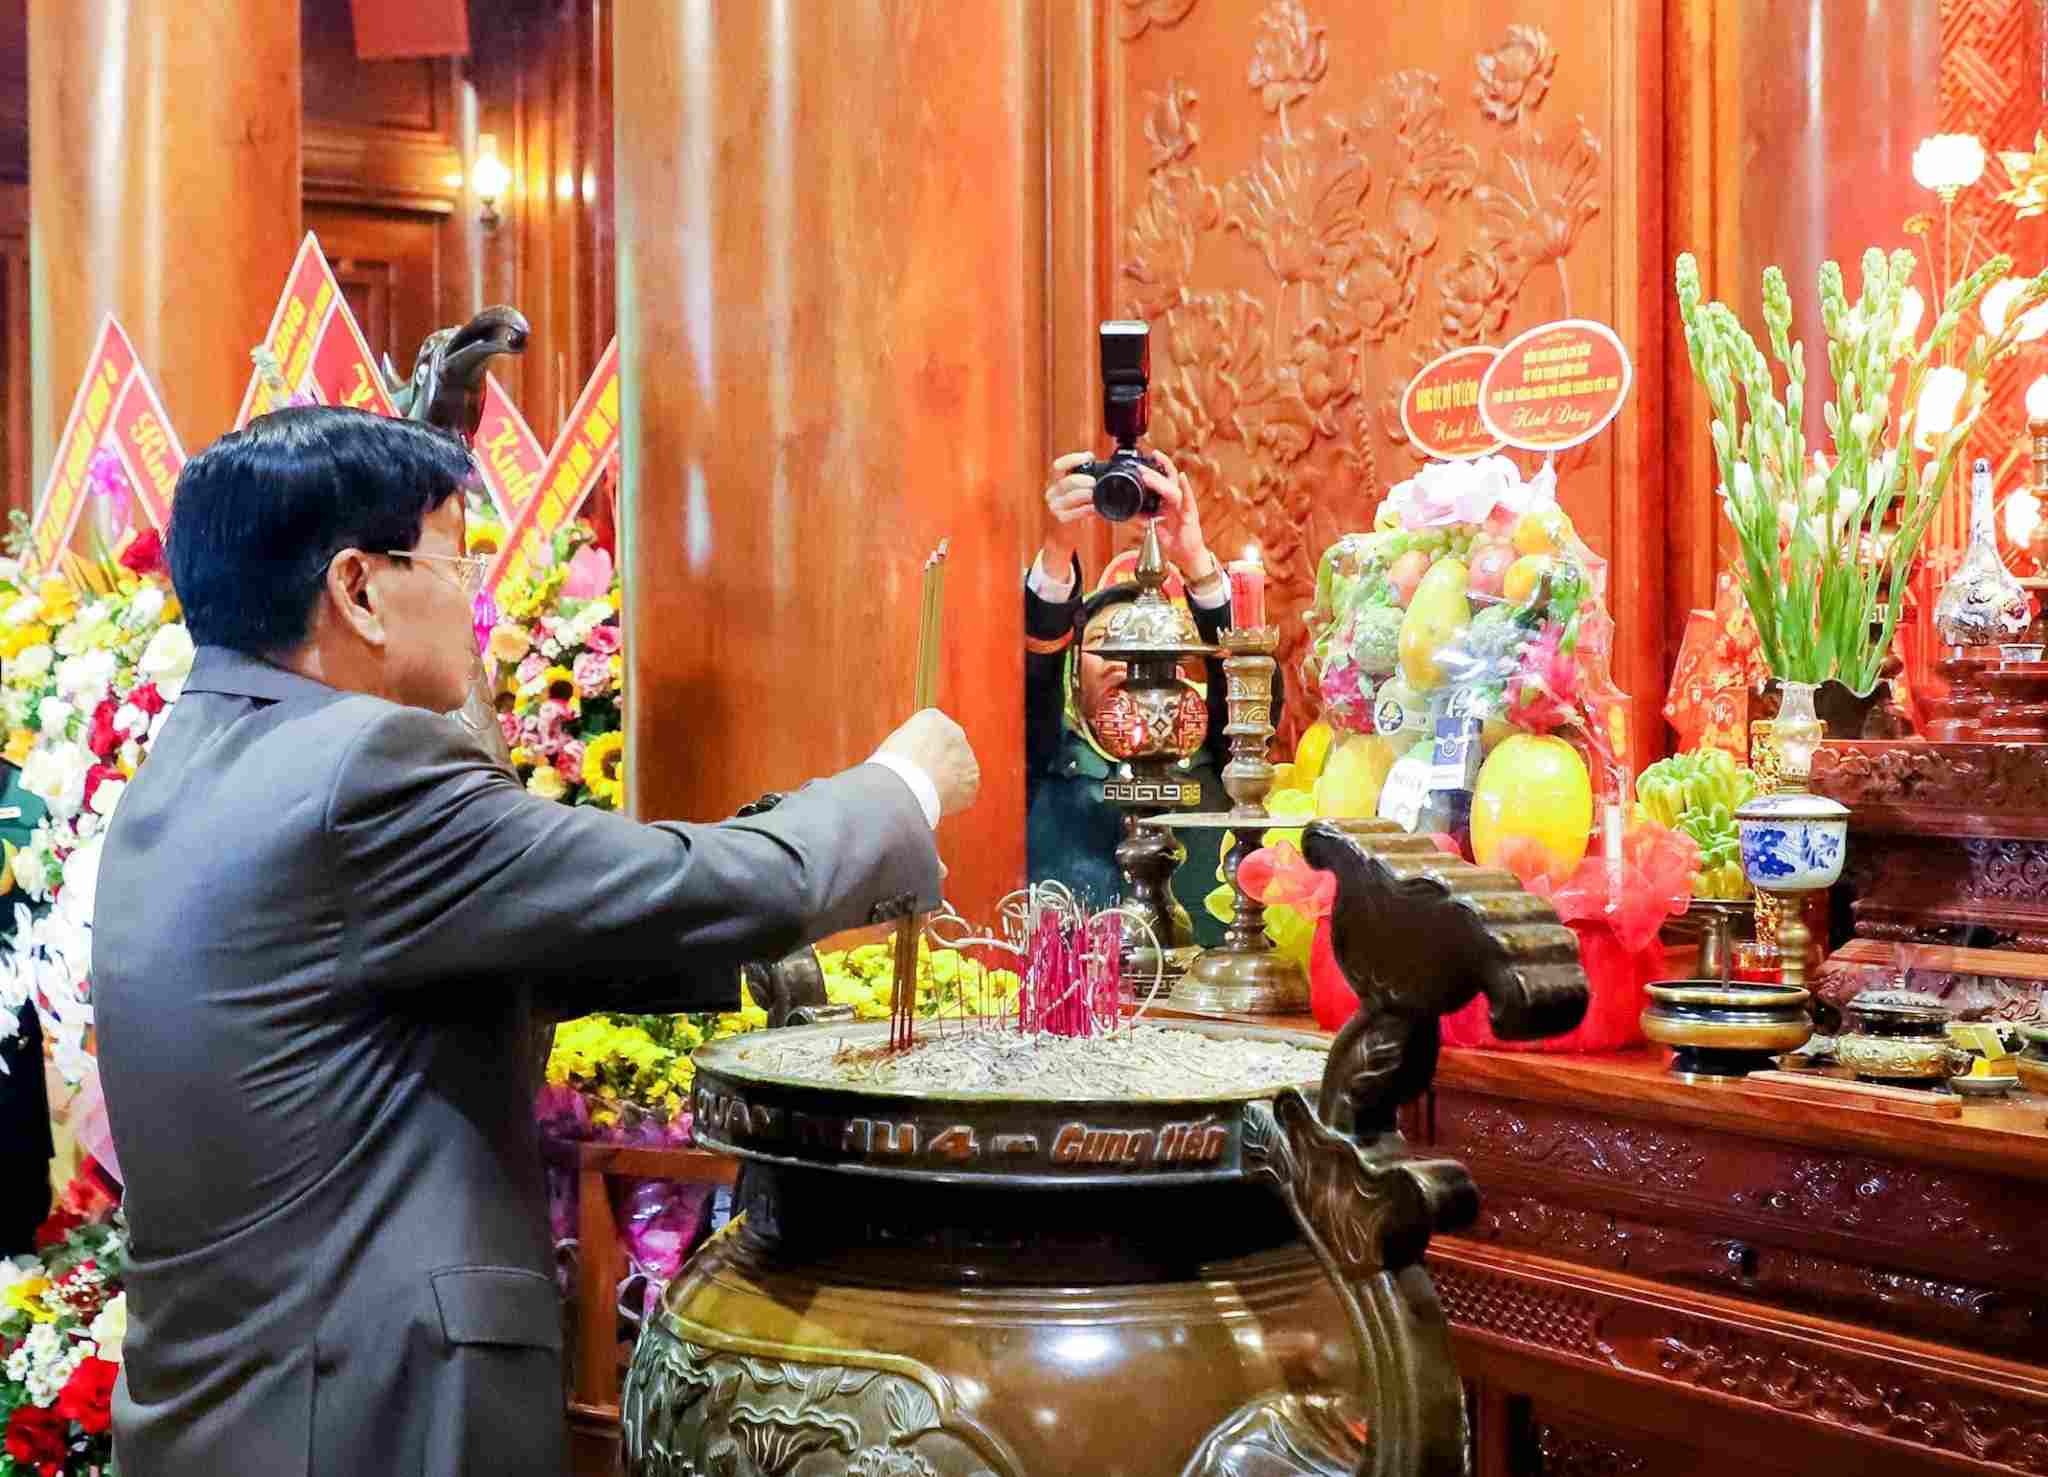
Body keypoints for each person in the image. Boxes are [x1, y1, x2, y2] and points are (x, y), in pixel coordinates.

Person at [90, 406, 979, 1477]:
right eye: (457, 562)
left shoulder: (186, 763)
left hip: (239, 1405)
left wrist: (746, 952)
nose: (478, 600)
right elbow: (674, 886)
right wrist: (900, 790)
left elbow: (500, 944)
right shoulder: (358, 768)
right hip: (365, 1408)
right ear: (357, 588)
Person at [1025, 448, 1276, 944]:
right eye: (1105, 644)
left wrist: (1196, 562)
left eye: (1154, 655)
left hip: (1199, 992)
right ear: (1074, 673)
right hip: (1078, 993)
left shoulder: (1216, 757)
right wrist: (1058, 551)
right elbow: (1034, 679)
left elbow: (1249, 685)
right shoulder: (1045, 753)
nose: (1126, 662)